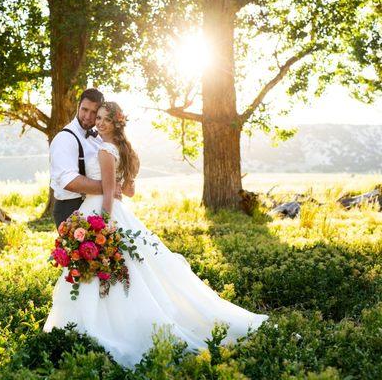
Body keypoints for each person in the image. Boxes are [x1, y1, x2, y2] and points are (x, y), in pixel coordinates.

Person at [43, 101, 268, 369]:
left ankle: (102, 327)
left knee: (111, 269)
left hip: (101, 213)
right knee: (127, 271)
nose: (99, 122)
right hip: (116, 211)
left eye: (104, 119)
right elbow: (128, 191)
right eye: (97, 118)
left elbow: (108, 193)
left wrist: (102, 225)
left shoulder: (104, 150)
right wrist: (111, 188)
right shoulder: (121, 150)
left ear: (115, 123)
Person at [49, 88, 124, 228]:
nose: (88, 116)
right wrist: (109, 188)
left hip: (96, 205)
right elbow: (68, 181)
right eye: (84, 109)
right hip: (70, 209)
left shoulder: (98, 137)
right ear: (78, 107)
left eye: (93, 112)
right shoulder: (65, 138)